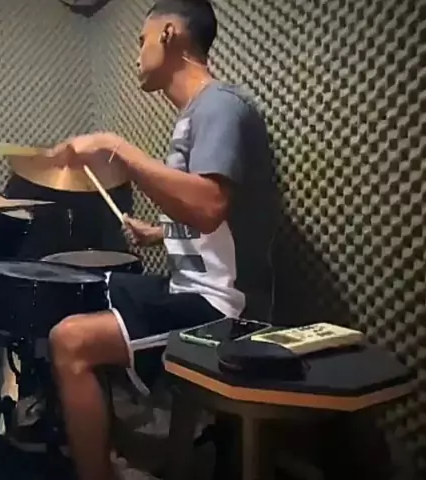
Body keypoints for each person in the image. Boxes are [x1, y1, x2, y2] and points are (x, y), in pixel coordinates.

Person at [45, 1, 278, 479]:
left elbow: (209, 207)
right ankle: (112, 447)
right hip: (192, 289)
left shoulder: (219, 106)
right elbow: (215, 223)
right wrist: (157, 233)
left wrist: (116, 146)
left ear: (169, 34)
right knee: (86, 290)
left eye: (141, 41)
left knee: (69, 341)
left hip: (224, 307)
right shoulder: (197, 112)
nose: (137, 55)